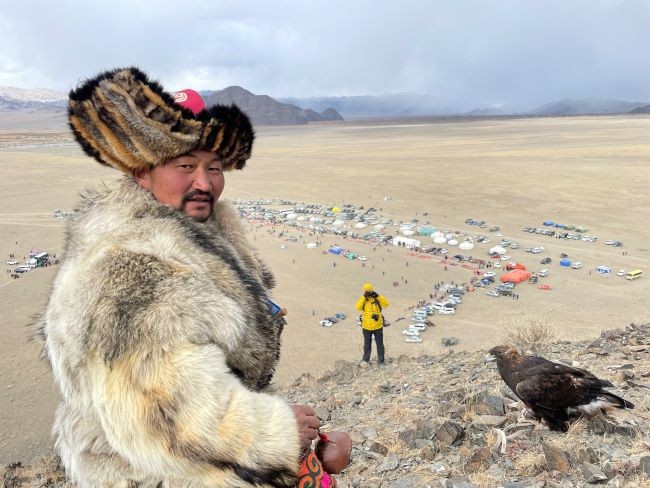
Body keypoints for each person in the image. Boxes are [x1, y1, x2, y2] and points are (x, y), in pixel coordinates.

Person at [41, 67, 344, 487]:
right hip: (153, 473)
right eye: (185, 165)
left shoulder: (195, 236)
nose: (204, 183)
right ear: (141, 171)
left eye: (214, 168)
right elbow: (169, 416)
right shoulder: (134, 271)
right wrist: (282, 430)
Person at [355, 283, 389, 365]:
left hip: (377, 326)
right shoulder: (363, 299)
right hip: (366, 326)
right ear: (364, 291)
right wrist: (364, 297)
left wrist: (378, 296)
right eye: (367, 291)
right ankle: (366, 360)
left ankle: (381, 361)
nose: (368, 292)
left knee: (379, 344)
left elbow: (386, 304)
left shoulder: (377, 298)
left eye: (369, 290)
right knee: (367, 344)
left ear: (372, 290)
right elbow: (358, 307)